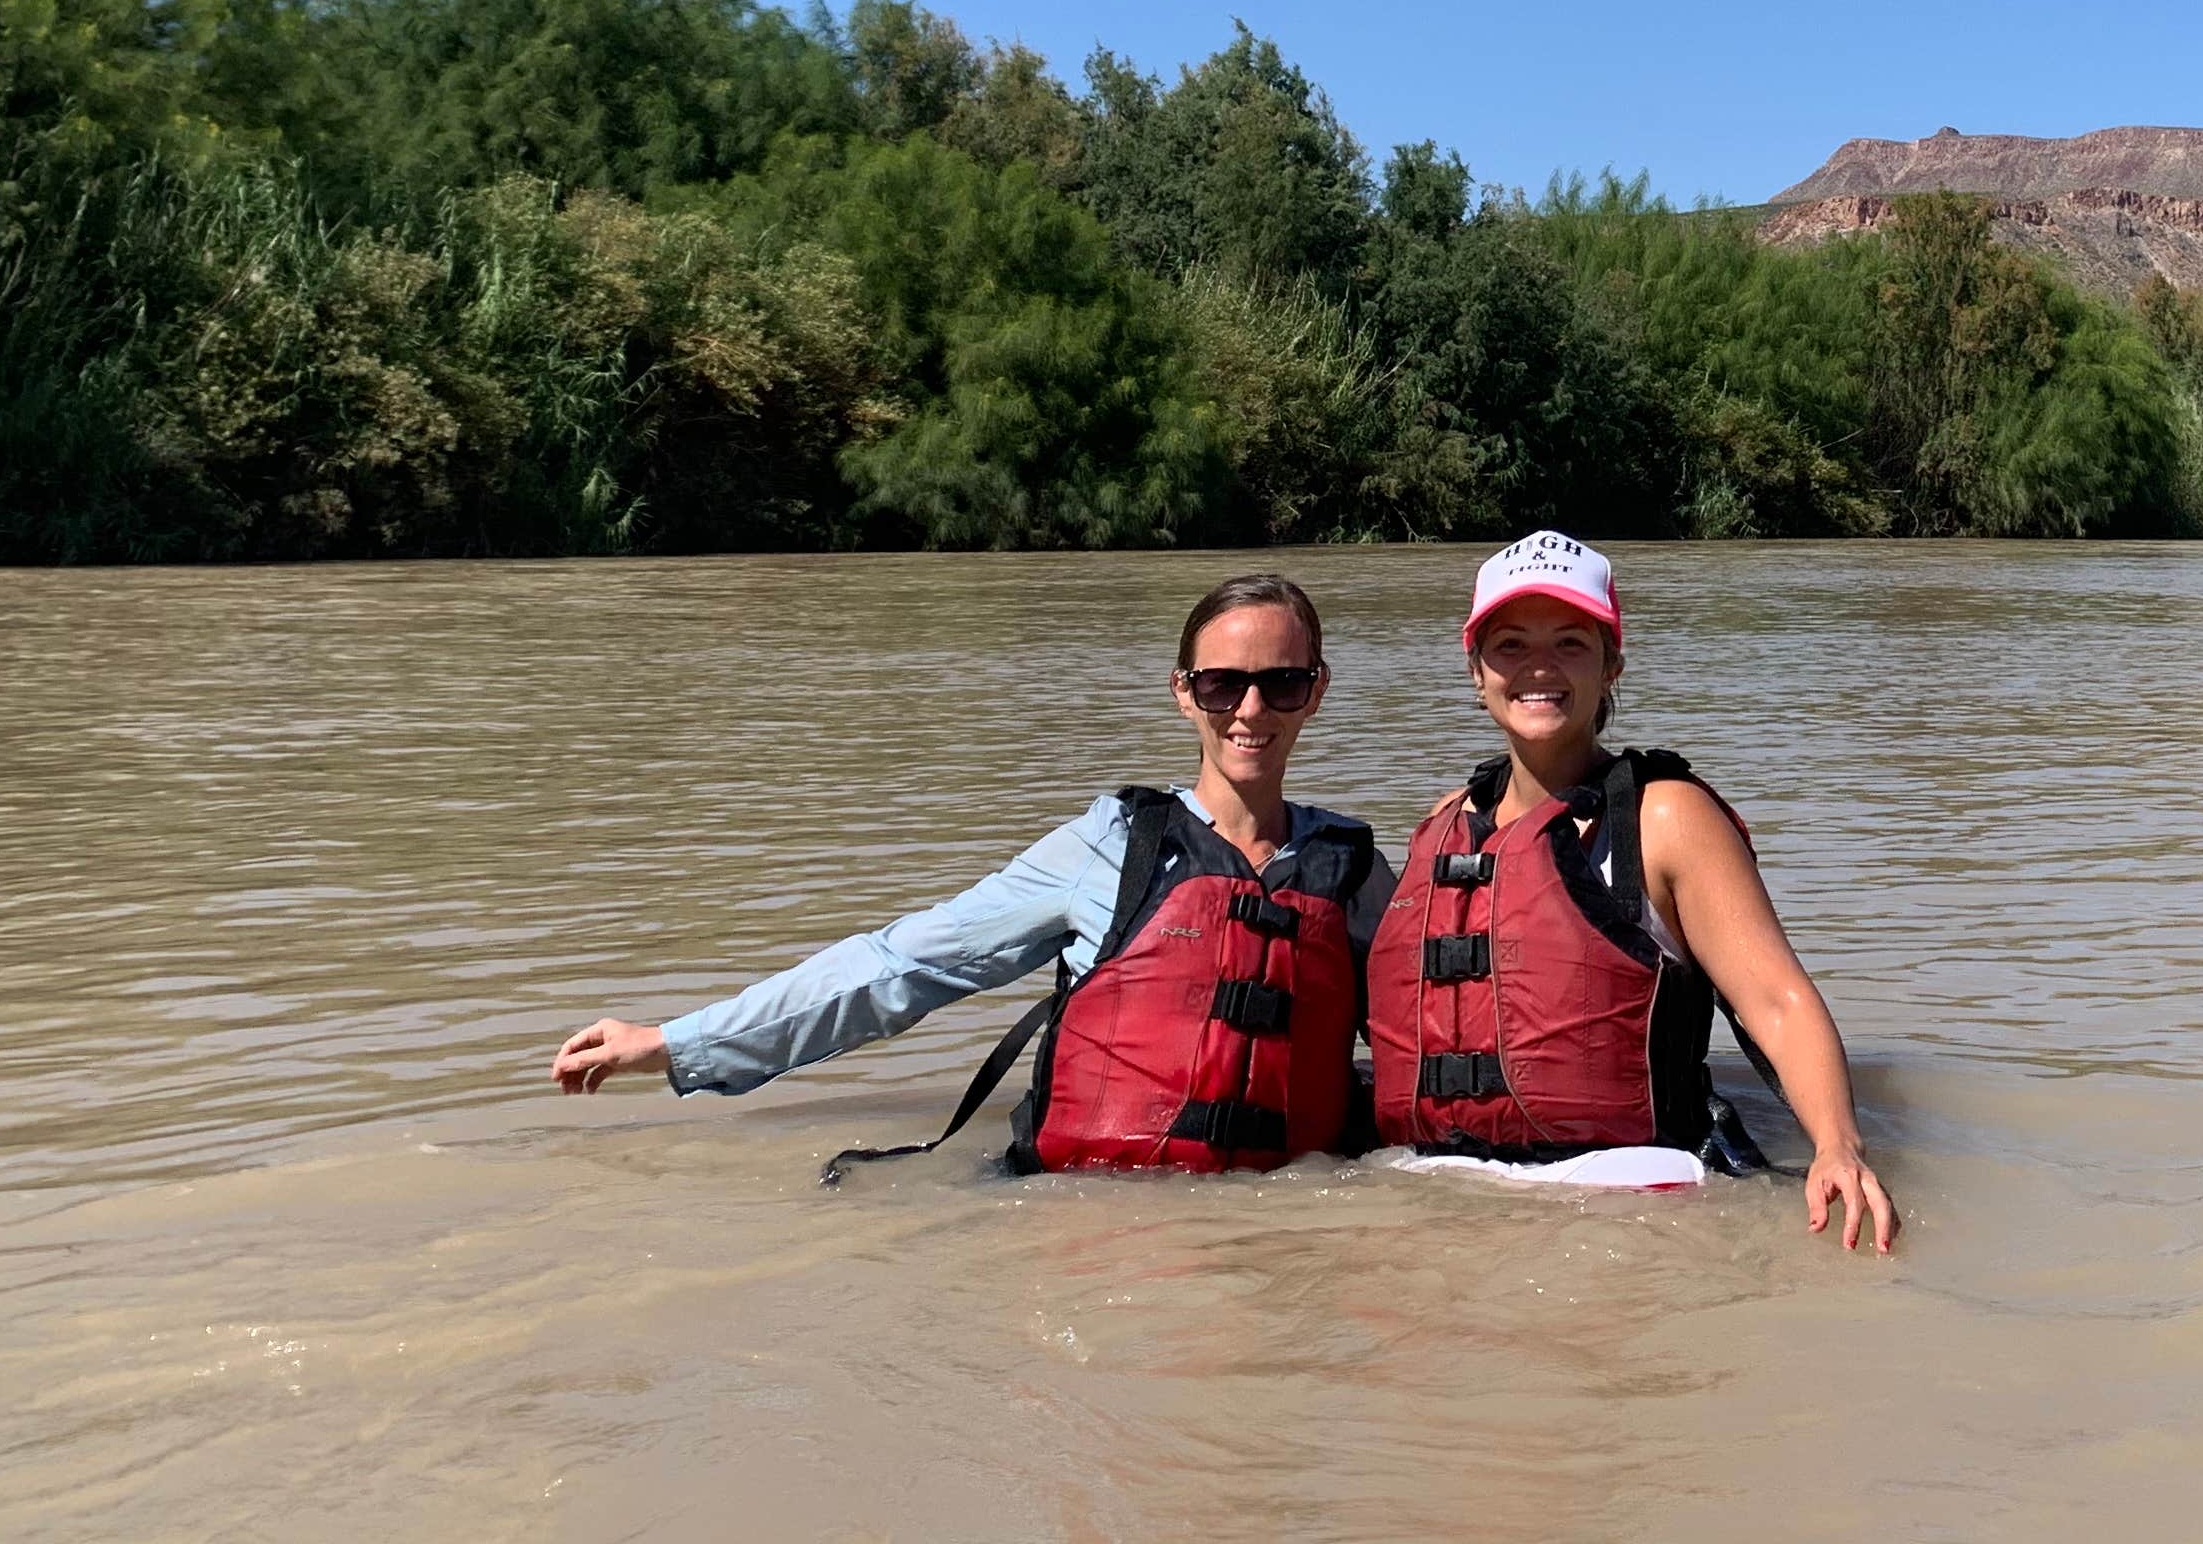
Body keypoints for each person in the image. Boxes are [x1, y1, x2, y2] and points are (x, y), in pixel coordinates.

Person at [549, 573, 1389, 1175]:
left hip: (1285, 1236)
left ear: (1315, 691)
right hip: (1099, 1227)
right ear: (1182, 691)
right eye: (1222, 684)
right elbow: (900, 967)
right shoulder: (1111, 847)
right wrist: (675, 1043)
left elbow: (1439, 1027)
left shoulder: (1351, 871)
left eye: (1281, 683)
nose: (1250, 710)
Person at [1368, 530, 1900, 1251]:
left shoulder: (1666, 816)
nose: (1539, 668)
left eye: (1570, 644)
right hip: (1438, 1189)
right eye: (1511, 645)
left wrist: (1838, 1147)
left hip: (1626, 1197)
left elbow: (1777, 1000)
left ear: (1611, 663)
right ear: (1476, 670)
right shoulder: (1444, 824)